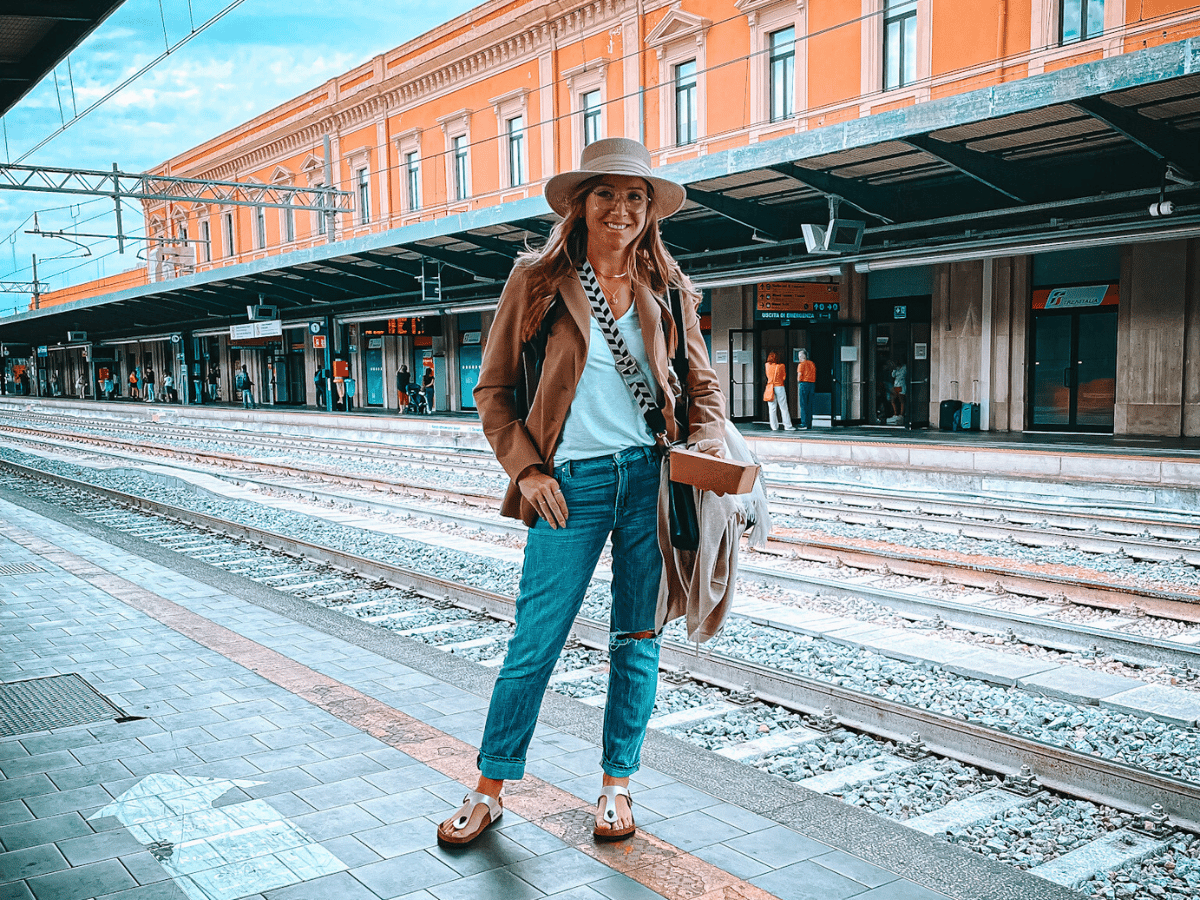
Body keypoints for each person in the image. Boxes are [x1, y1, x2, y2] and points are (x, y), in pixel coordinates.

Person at [436, 137, 723, 849]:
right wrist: (529, 472)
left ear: (649, 210)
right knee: (534, 641)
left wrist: (710, 445)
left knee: (638, 640)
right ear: (581, 203)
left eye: (635, 197)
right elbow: (494, 390)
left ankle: (616, 789)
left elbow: (703, 388)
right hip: (570, 486)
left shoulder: (670, 290)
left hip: (653, 486)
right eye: (607, 194)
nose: (621, 209)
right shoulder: (535, 281)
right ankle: (490, 787)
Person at [763, 351, 793, 431]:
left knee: (772, 409)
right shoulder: (781, 366)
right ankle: (787, 426)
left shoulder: (766, 365)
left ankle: (774, 427)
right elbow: (783, 377)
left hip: (770, 387)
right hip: (779, 386)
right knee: (783, 407)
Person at [796, 348, 817, 429]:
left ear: (802, 356)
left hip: (804, 384)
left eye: (799, 356)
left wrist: (798, 382)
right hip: (812, 384)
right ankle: (809, 424)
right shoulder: (812, 364)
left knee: (803, 404)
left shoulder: (801, 364)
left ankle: (804, 423)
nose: (799, 357)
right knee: (809, 404)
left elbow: (799, 376)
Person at [889, 359, 907, 425]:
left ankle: (901, 414)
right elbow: (893, 375)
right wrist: (894, 369)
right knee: (893, 399)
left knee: (901, 399)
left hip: (901, 384)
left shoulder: (905, 367)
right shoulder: (896, 368)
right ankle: (895, 413)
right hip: (896, 385)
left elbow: (903, 374)